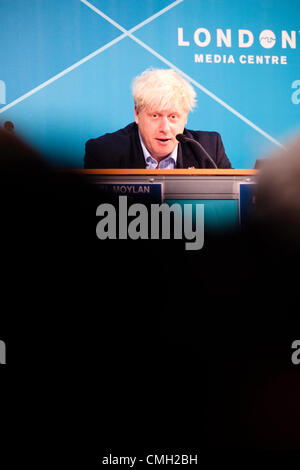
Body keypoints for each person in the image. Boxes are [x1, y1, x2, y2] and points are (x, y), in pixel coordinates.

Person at [84, 68, 232, 169]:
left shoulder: (209, 149)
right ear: (137, 114)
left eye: (173, 117)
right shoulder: (105, 152)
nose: (165, 128)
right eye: (155, 116)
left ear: (185, 117)